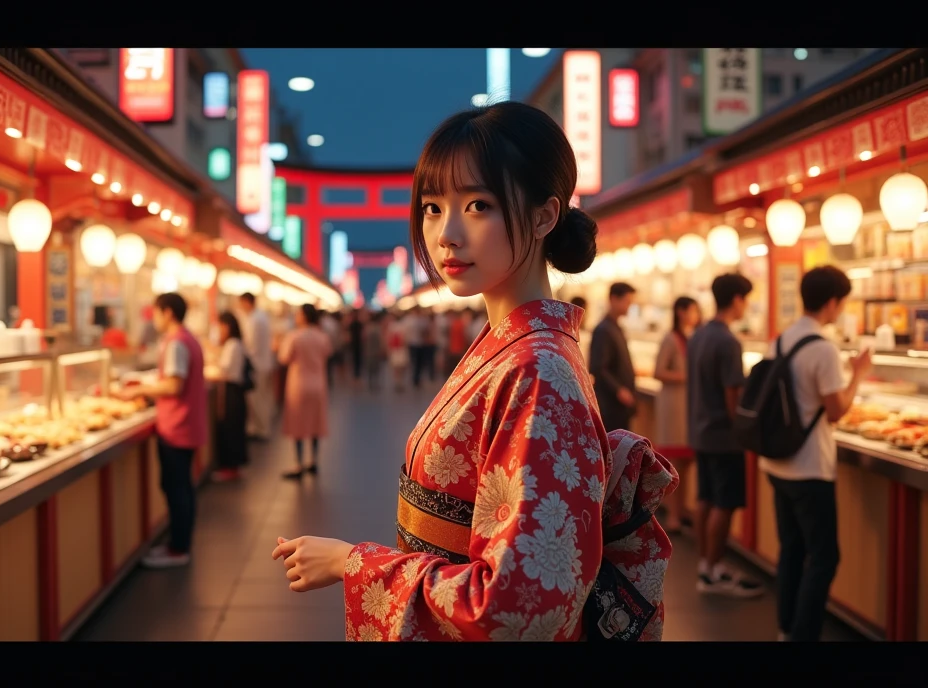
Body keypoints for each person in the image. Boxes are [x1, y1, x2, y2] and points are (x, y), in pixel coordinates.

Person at [272, 101, 676, 641]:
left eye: (479, 205)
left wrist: (354, 563)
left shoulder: (538, 371)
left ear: (543, 216)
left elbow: (519, 604)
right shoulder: (516, 351)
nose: (446, 234)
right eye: (433, 207)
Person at [763, 266, 872, 641]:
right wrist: (858, 372)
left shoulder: (780, 340)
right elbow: (837, 409)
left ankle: (785, 628)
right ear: (832, 302)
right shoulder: (823, 348)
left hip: (777, 462)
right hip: (810, 467)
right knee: (824, 558)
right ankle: (803, 636)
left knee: (791, 549)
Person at [115, 293, 207, 569]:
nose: (153, 318)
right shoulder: (187, 338)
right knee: (182, 487)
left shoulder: (177, 343)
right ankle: (180, 544)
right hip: (185, 424)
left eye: (155, 312)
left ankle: (179, 548)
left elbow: (173, 386)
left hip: (177, 426)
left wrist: (138, 390)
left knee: (176, 488)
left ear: (167, 313)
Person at [687, 273, 763, 598]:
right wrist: (743, 431)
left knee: (705, 498)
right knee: (724, 503)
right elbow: (734, 394)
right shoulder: (728, 341)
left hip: (701, 430)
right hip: (723, 435)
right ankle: (714, 571)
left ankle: (706, 566)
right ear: (736, 299)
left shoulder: (699, 335)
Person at [653, 296, 701, 534]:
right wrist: (686, 377)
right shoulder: (671, 339)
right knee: (674, 463)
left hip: (688, 406)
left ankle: (680, 512)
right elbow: (658, 371)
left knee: (687, 462)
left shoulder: (692, 337)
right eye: (692, 310)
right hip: (673, 407)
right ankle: (673, 515)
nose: (696, 314)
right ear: (681, 312)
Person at [278, 304, 333, 479]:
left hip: (298, 385)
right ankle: (314, 462)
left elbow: (284, 358)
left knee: (298, 424)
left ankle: (298, 464)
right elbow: (327, 353)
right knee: (315, 423)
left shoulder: (294, 336)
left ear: (304, 316)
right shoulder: (322, 337)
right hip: (318, 384)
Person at [589, 282, 638, 432]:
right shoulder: (603, 330)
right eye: (627, 301)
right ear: (613, 299)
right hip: (610, 404)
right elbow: (598, 367)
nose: (629, 306)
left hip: (619, 404)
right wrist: (619, 390)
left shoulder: (616, 327)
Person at [210, 311, 250, 483]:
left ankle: (230, 467)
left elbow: (224, 370)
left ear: (226, 326)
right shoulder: (236, 343)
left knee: (230, 429)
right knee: (233, 428)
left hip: (232, 392)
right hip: (235, 391)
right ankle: (232, 467)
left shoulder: (232, 344)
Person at [238, 292, 274, 441]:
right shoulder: (261, 317)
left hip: (257, 365)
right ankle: (261, 428)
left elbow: (250, 346)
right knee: (262, 398)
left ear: (247, 302)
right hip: (264, 363)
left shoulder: (254, 320)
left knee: (257, 400)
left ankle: (261, 430)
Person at [363, 311, 386, 391]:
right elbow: (381, 340)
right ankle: (374, 382)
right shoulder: (377, 328)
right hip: (375, 351)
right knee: (376, 368)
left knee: (371, 367)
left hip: (369, 351)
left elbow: (364, 339)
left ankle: (371, 382)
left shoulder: (367, 327)